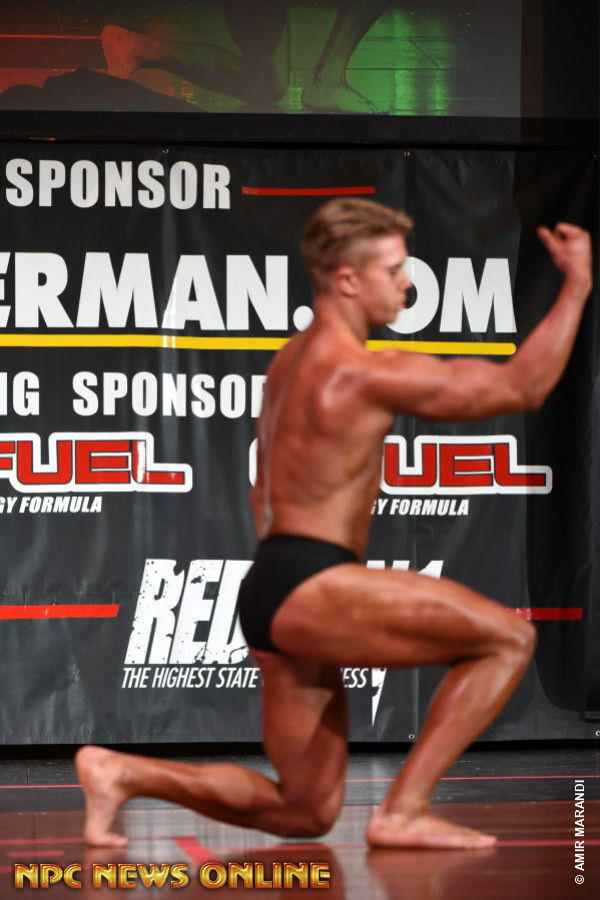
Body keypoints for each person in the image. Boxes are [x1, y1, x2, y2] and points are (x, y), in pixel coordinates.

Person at [77, 198, 592, 849]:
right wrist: (577, 285)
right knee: (508, 640)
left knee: (306, 810)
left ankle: (122, 772)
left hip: (271, 586)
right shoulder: (359, 370)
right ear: (347, 279)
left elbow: (260, 485)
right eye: (394, 269)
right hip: (313, 579)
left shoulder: (289, 362)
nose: (407, 283)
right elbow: (522, 388)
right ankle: (405, 809)